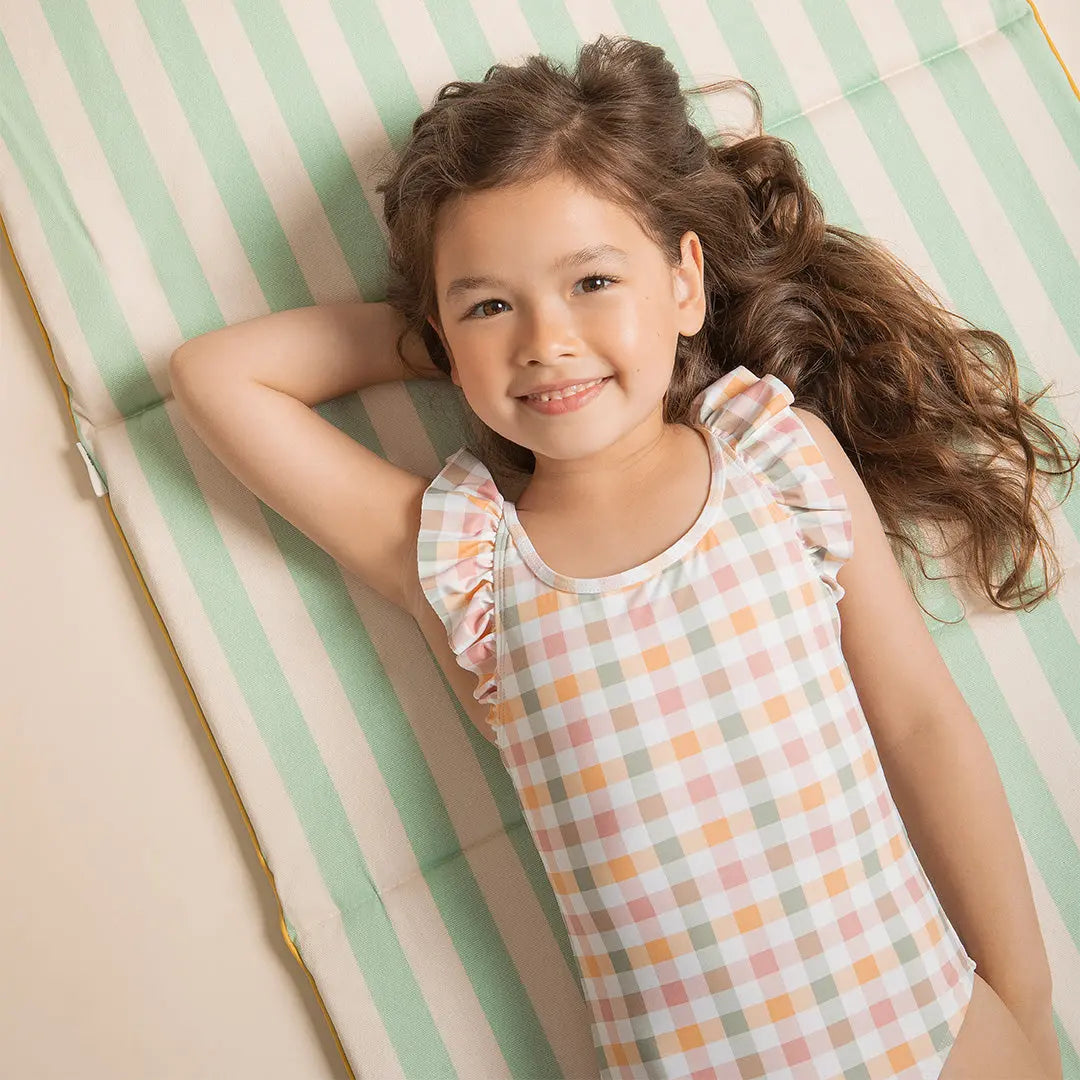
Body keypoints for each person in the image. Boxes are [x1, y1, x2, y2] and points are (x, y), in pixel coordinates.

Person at [171, 33, 1072, 1080]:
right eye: (494, 303)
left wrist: (1023, 999)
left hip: (931, 1034)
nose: (547, 340)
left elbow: (923, 725)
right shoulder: (470, 565)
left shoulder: (775, 459)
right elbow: (218, 377)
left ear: (685, 284)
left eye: (593, 280)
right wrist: (447, 338)